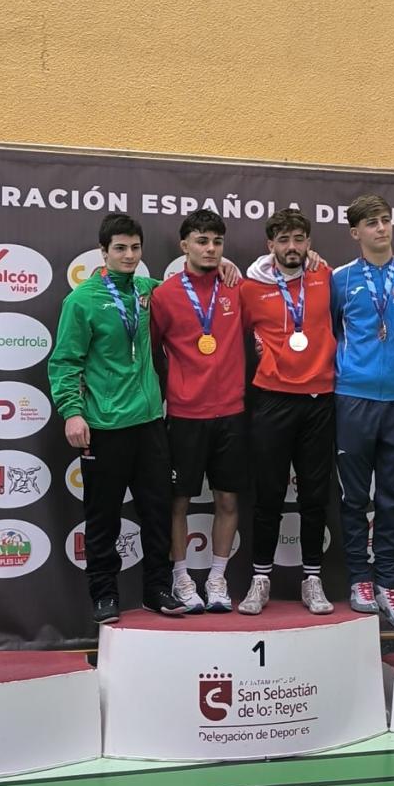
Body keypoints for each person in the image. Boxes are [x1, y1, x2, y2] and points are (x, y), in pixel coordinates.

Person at [47, 213, 185, 625]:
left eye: (135, 248)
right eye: (120, 248)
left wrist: (226, 267)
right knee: (103, 517)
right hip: (104, 427)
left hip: (149, 423)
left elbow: (193, 284)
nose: (129, 255)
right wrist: (72, 412)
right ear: (103, 251)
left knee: (157, 513)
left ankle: (157, 589)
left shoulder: (148, 290)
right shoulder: (82, 300)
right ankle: (104, 594)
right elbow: (64, 362)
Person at [331, 193, 394, 630]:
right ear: (355, 232)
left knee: (393, 498)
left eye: (385, 220)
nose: (381, 228)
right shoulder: (339, 279)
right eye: (371, 223)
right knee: (354, 498)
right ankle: (360, 580)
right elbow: (328, 334)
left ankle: (387, 584)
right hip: (352, 400)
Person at [239, 207, 337, 615]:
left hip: (319, 398)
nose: (292, 247)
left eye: (299, 239)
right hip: (272, 398)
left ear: (309, 243)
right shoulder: (249, 287)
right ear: (271, 245)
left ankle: (312, 580)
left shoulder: (326, 277)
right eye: (283, 240)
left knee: (315, 495)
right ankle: (259, 579)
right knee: (268, 494)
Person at [150, 210, 247, 614]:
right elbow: (151, 354)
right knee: (178, 503)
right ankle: (182, 578)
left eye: (217, 242)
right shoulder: (164, 295)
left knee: (227, 499)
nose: (210, 249)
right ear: (184, 245)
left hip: (231, 413)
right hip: (185, 414)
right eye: (202, 241)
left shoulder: (237, 288)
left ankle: (218, 579)